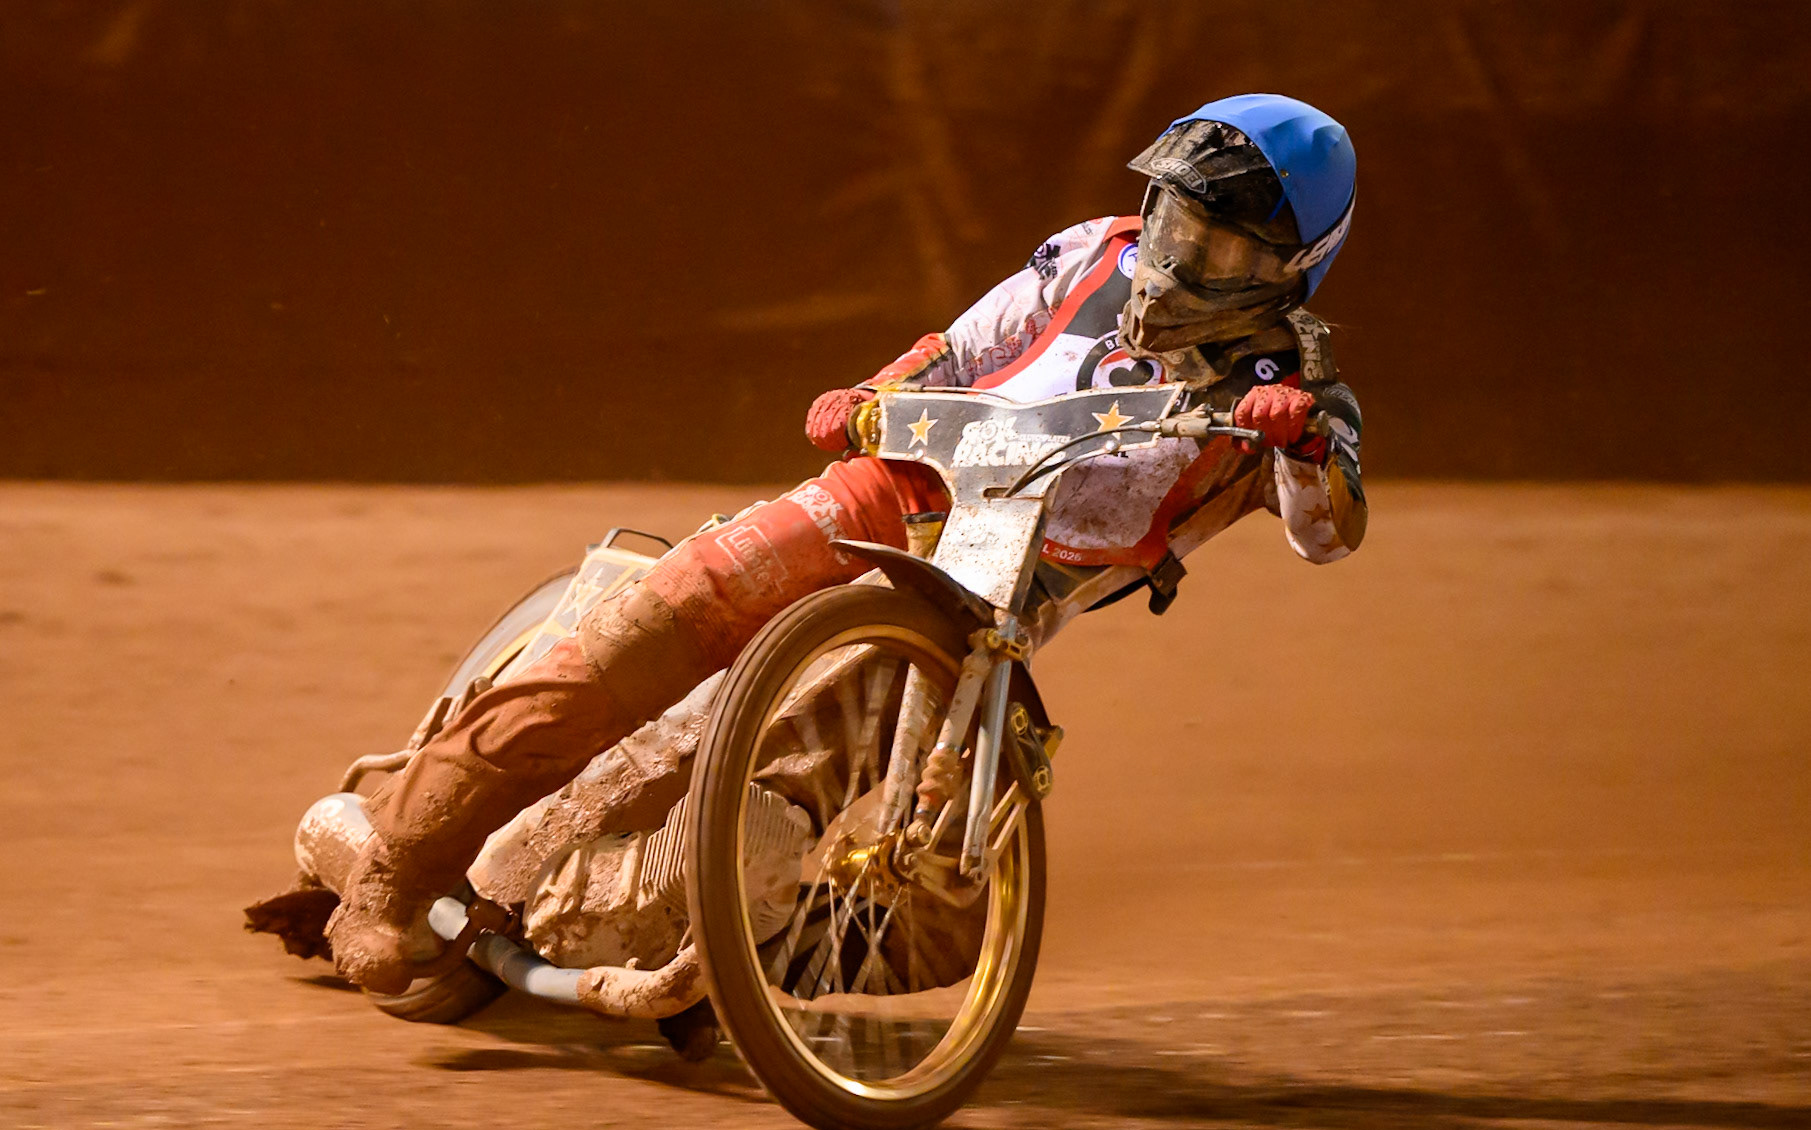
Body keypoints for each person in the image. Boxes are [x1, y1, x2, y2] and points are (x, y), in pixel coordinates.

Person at [325, 93, 1368, 994]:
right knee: (664, 614)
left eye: (1217, 244)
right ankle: (398, 868)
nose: (1176, 254)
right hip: (892, 491)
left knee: (949, 909)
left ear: (1291, 266)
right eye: (1173, 218)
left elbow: (1327, 534)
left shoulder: (1291, 388)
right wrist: (873, 392)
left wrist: (1304, 442)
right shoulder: (1092, 254)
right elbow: (965, 345)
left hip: (989, 608)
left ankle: (746, 969)